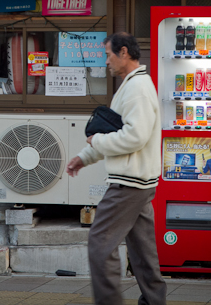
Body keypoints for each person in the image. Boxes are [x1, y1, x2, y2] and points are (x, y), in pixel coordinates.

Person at [66, 32, 166, 305]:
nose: (106, 61)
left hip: (128, 183)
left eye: (108, 55)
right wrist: (84, 157)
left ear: (124, 53)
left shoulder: (137, 88)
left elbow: (135, 136)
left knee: (100, 243)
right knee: (143, 253)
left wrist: (95, 141)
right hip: (140, 183)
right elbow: (116, 132)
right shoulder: (135, 85)